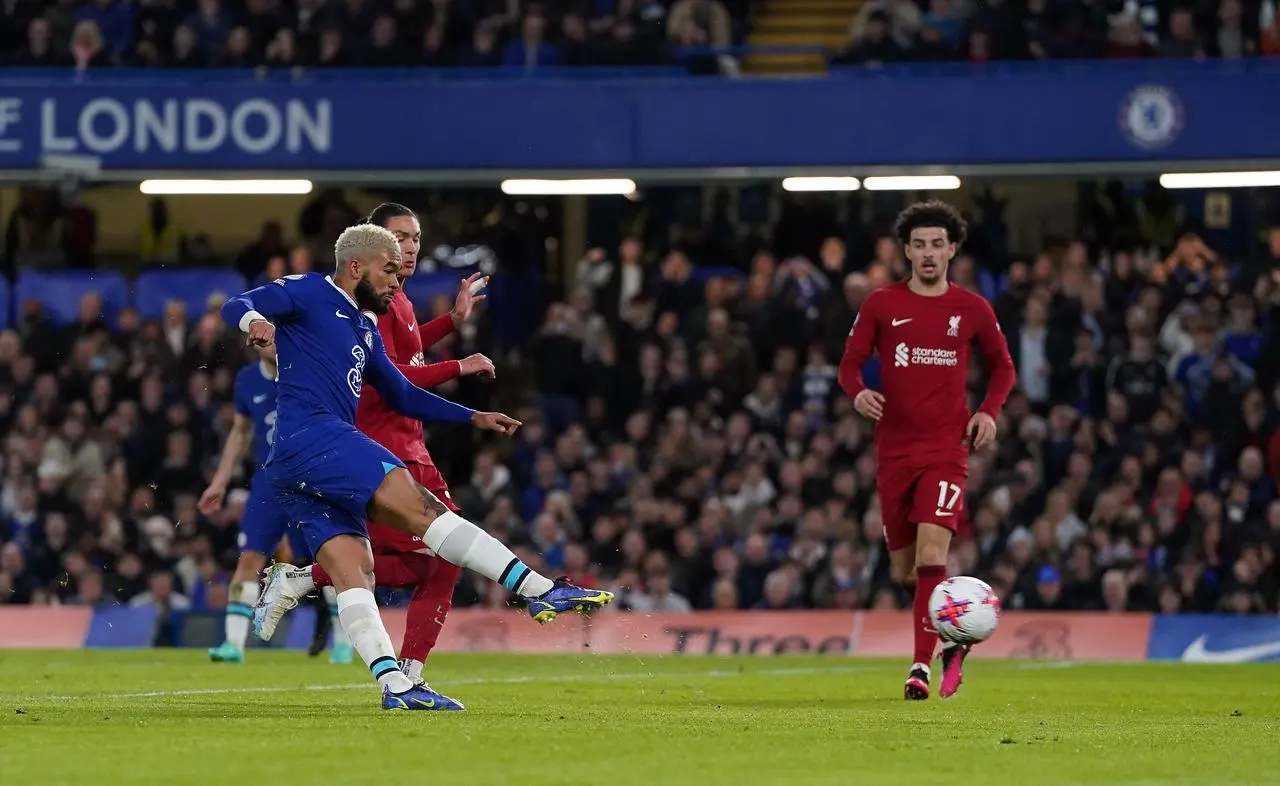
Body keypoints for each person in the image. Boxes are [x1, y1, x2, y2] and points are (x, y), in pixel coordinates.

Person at [220, 223, 613, 711]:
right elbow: (234, 304)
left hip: (296, 465)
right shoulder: (308, 291)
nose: (396, 279)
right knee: (425, 513)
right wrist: (254, 322)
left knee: (357, 574)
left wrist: (474, 417)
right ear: (355, 266)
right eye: (389, 269)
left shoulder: (363, 327)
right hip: (317, 438)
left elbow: (403, 393)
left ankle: (396, 686)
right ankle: (538, 588)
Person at [271, 202, 498, 710]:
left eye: (415, 237)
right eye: (398, 238)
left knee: (422, 564)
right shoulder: (371, 302)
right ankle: (403, 670)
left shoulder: (398, 301)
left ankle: (313, 586)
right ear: (369, 250)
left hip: (406, 442)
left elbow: (407, 354)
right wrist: (459, 366)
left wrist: (451, 321)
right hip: (382, 446)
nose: (409, 247)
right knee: (435, 557)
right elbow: (397, 381)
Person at [837, 200, 1014, 700]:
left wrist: (988, 412)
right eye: (920, 245)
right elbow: (849, 364)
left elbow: (1003, 367)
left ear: (952, 249)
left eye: (938, 244)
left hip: (946, 451)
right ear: (907, 251)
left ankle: (920, 667)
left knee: (934, 557)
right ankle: (955, 635)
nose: (929, 253)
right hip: (894, 453)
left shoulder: (973, 309)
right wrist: (858, 392)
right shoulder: (881, 305)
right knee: (906, 571)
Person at [199, 340, 350, 663]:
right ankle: (234, 645)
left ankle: (343, 641)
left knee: (329, 560)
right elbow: (240, 432)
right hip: (267, 484)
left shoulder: (305, 372)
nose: (277, 342)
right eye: (270, 336)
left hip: (308, 482)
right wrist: (220, 481)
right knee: (250, 557)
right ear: (255, 341)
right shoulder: (247, 379)